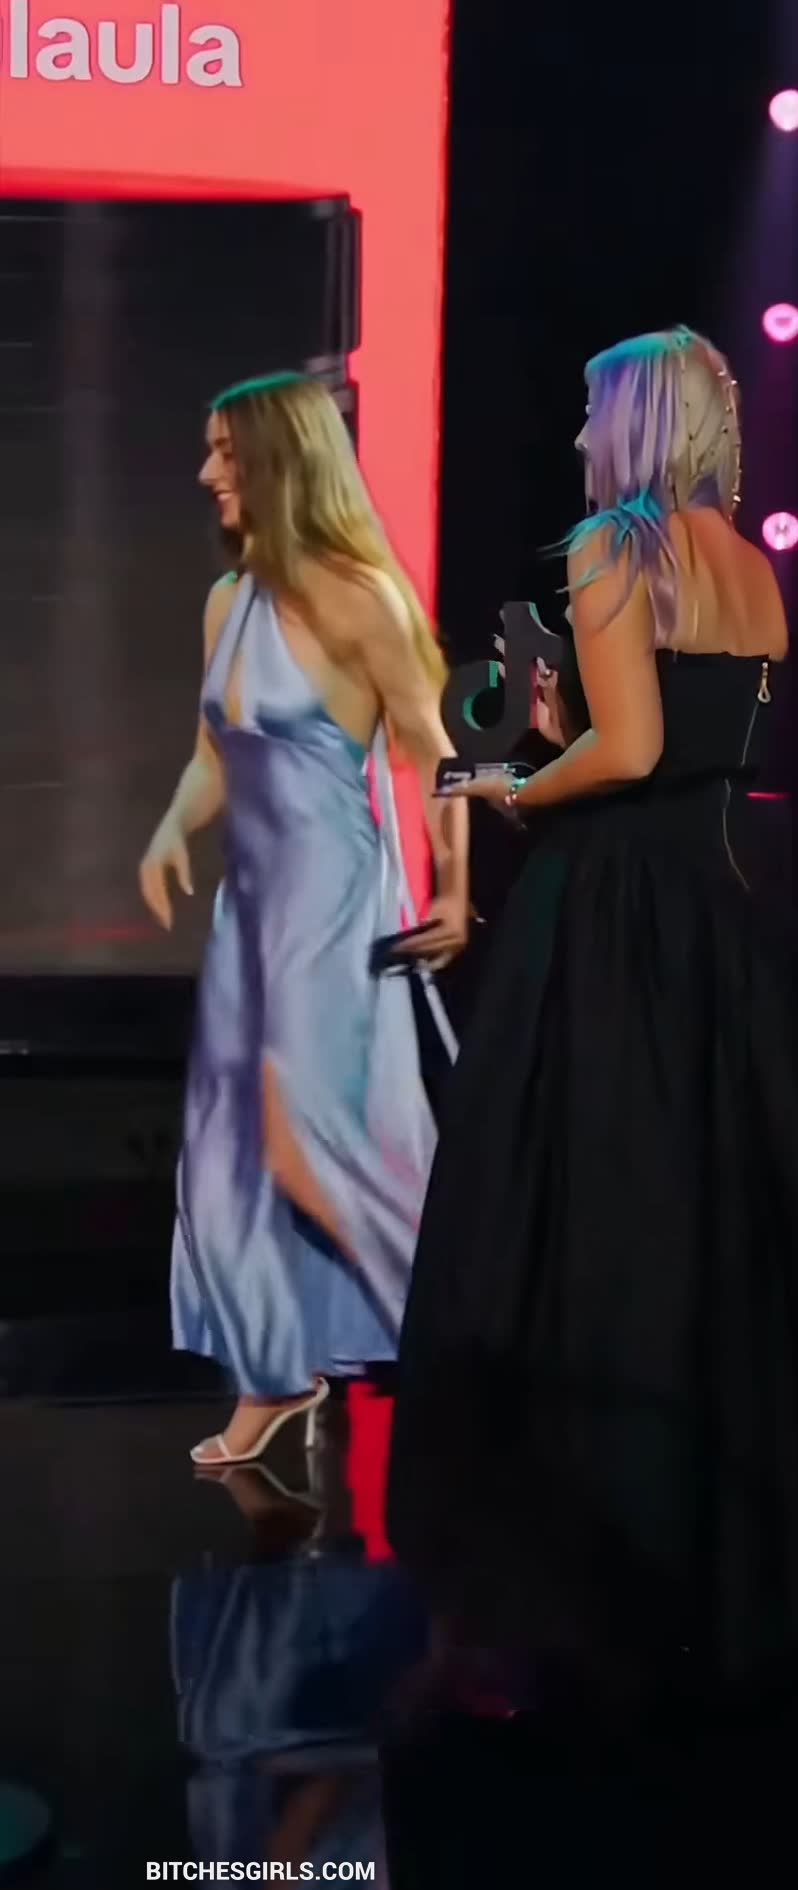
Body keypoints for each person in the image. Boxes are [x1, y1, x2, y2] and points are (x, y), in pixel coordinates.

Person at [387, 327, 798, 1693]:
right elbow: (694, 747)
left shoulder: (614, 545)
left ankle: (583, 1540)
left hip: (613, 912)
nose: (574, 437)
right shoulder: (748, 562)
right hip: (725, 911)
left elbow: (632, 752)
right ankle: (718, 1532)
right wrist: (563, 736)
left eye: (589, 412)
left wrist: (511, 786)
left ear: (630, 423)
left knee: (592, 1193)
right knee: (712, 1204)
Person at [139, 371, 467, 1467]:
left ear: (282, 462)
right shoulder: (228, 603)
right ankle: (274, 1373)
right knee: (226, 1159)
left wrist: (451, 890)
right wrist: (170, 827)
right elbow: (213, 754)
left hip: (333, 910)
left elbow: (435, 756)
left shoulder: (363, 599)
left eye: (227, 454)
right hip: (252, 913)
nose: (206, 474)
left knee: (305, 1142)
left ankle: (469, 1326)